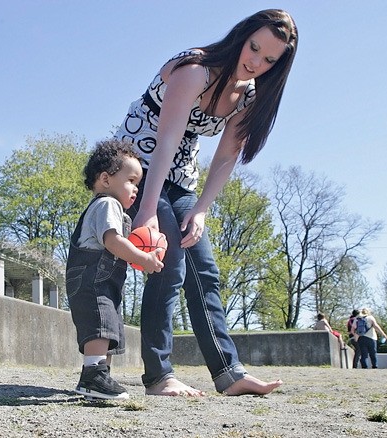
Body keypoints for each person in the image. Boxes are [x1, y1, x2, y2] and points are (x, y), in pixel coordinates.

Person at [114, 9, 298, 396]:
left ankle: (229, 373)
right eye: (254, 48)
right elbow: (166, 140)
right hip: (135, 170)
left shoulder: (246, 94)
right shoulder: (195, 69)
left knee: (205, 269)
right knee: (168, 263)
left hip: (179, 179)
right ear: (242, 36)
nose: (255, 62)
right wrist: (146, 210)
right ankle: (159, 376)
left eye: (269, 60)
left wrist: (201, 209)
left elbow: (226, 158)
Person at [66, 139, 165, 400]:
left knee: (108, 327)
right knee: (101, 324)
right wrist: (144, 258)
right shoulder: (108, 205)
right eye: (131, 180)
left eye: (138, 184)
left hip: (98, 281)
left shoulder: (109, 208)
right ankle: (93, 377)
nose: (135, 189)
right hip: (91, 280)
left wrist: (148, 248)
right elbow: (113, 241)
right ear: (106, 179)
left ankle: (99, 379)